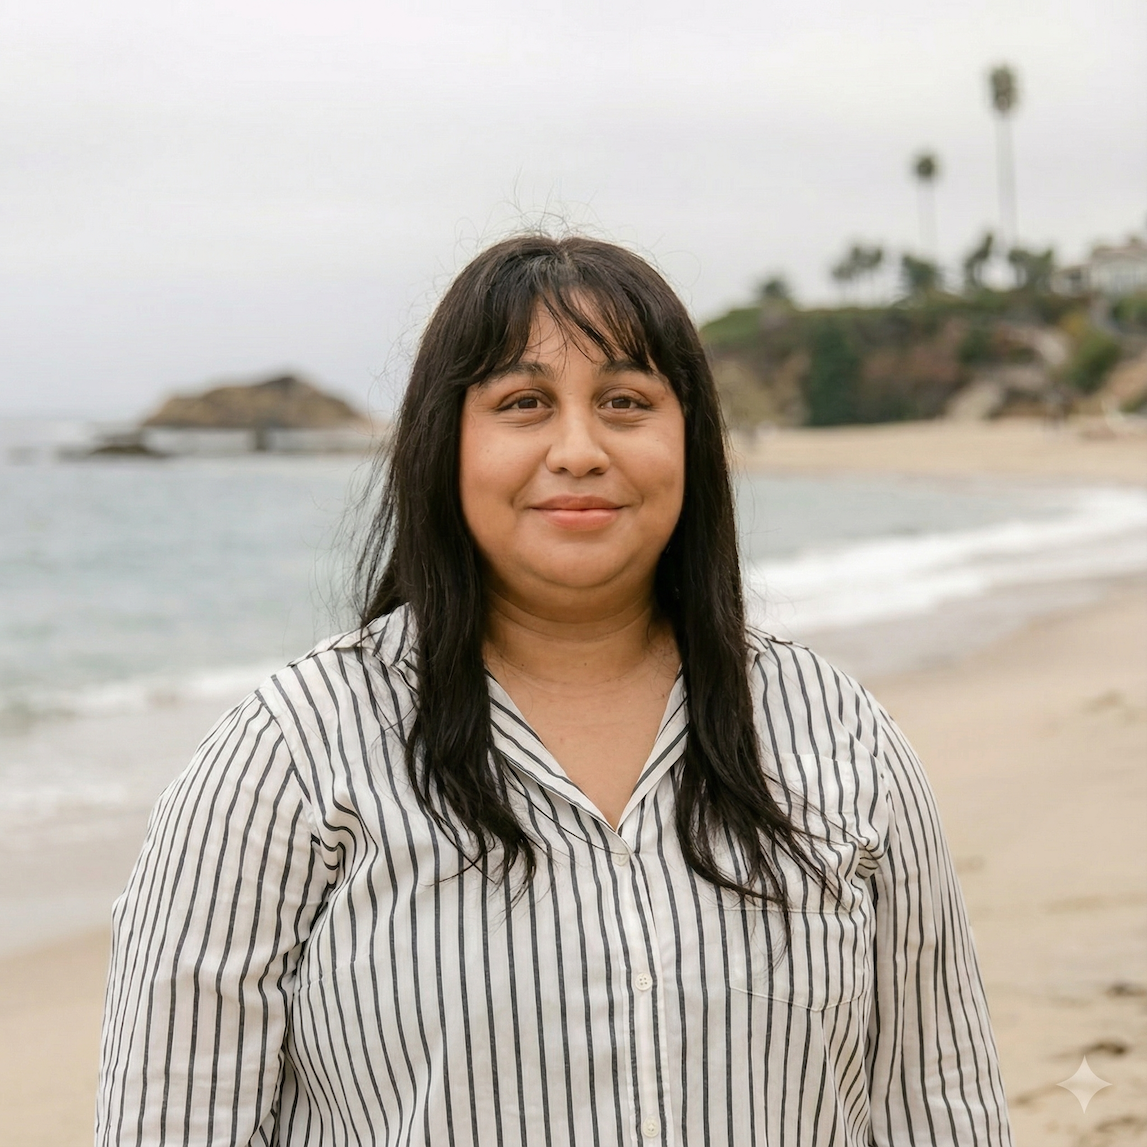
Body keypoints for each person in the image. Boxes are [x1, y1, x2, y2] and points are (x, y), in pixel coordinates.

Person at [97, 235, 1013, 1146]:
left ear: (689, 439)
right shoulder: (291, 757)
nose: (577, 450)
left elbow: (938, 1104)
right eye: (523, 402)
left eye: (625, 401)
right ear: (443, 443)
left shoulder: (833, 733)